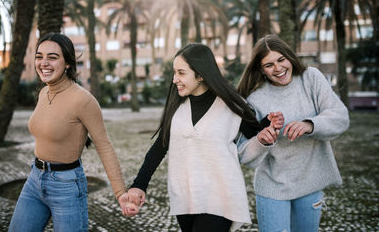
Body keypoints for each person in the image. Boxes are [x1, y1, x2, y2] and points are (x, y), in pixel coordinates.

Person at [126, 43, 283, 232]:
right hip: (185, 198)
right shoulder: (176, 107)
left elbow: (255, 133)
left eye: (182, 73)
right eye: (174, 73)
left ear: (200, 75)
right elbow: (159, 148)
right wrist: (139, 185)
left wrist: (269, 123)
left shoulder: (232, 105)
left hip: (220, 197)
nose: (175, 79)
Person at [8, 33, 138, 232]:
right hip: (34, 179)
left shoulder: (83, 100)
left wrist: (120, 192)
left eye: (52, 57)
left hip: (67, 185)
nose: (44, 63)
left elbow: (104, 145)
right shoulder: (44, 92)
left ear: (68, 63)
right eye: (39, 56)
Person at [236, 34, 350, 232]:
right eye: (269, 65)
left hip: (310, 183)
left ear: (290, 57)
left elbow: (340, 118)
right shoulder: (255, 99)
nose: (278, 68)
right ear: (261, 69)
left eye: (281, 60)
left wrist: (310, 125)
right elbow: (243, 154)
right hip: (272, 187)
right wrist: (262, 139)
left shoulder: (311, 78)